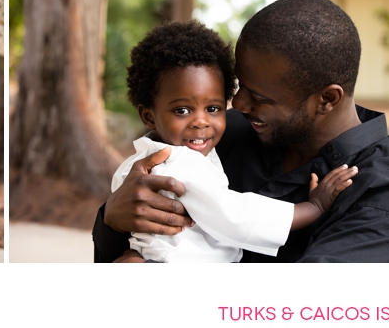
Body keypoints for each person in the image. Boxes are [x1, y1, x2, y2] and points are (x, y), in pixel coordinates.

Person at [93, 0, 389, 263]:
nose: (237, 104)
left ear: (326, 99)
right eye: (239, 87)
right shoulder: (219, 137)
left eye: (259, 96)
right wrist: (113, 220)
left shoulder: (385, 196)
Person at [114, 20, 357, 263]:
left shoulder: (138, 162)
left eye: (213, 108)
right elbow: (236, 217)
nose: (201, 121)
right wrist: (313, 207)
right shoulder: (180, 163)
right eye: (182, 110)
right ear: (148, 116)